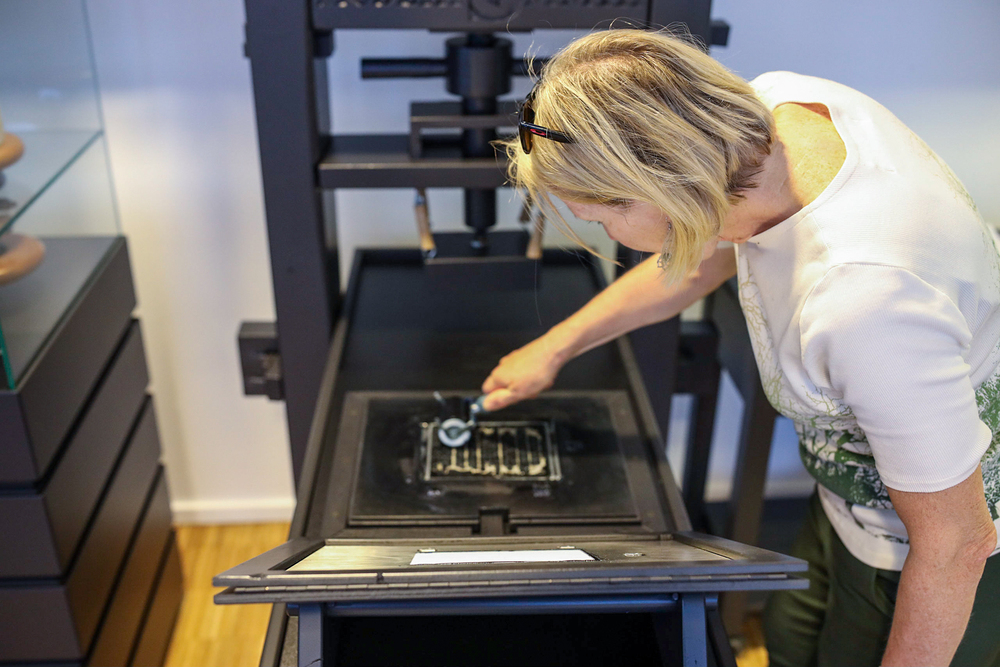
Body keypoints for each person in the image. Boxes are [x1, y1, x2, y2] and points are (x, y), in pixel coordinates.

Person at [480, 29, 1000, 667]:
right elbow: (705, 251)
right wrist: (556, 346)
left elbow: (956, 543)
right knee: (788, 639)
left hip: (950, 544)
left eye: (599, 216)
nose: (604, 231)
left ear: (663, 189)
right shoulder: (772, 111)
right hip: (857, 499)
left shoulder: (864, 301)